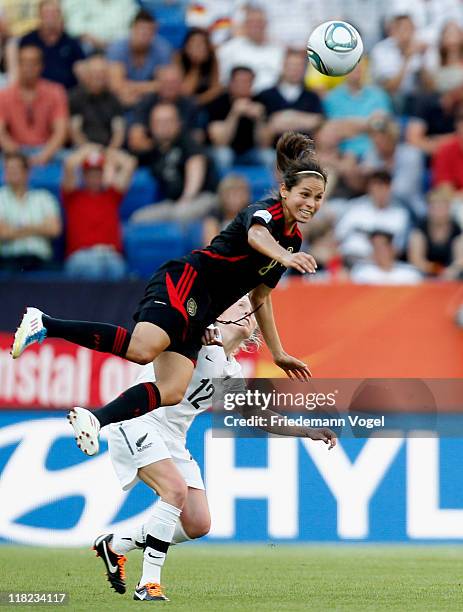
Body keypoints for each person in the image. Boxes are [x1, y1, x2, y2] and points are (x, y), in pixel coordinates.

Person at [12, 131, 324, 457]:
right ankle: (45, 323)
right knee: (142, 348)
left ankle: (95, 418)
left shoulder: (293, 241)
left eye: (318, 198)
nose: (311, 204)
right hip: (188, 280)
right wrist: (285, 257)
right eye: (305, 194)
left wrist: (278, 352)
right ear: (285, 191)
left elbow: (260, 297)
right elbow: (256, 234)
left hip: (203, 311)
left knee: (173, 389)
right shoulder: (266, 212)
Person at [92, 297, 336, 601]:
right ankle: (148, 584)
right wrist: (198, 326)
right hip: (138, 421)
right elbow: (169, 319)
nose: (248, 309)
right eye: (239, 303)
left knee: (197, 523)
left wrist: (306, 431)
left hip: (172, 439)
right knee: (175, 492)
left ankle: (117, 544)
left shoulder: (230, 371)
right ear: (218, 313)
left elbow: (254, 414)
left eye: (251, 307)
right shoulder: (194, 337)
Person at [130, 102, 217, 223]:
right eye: (158, 122)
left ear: (178, 123)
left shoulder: (187, 141)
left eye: (168, 121)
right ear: (151, 126)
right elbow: (131, 160)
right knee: (138, 218)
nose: (163, 126)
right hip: (172, 203)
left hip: (202, 198)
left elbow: (196, 162)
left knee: (181, 215)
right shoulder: (154, 151)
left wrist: (187, 198)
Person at [62, 145, 136, 279]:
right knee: (94, 268)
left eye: (97, 173)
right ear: (83, 175)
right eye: (90, 173)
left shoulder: (112, 195)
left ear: (103, 174)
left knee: (115, 268)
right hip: (81, 256)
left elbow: (129, 164)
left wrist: (106, 151)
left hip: (110, 256)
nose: (94, 177)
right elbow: (69, 164)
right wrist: (90, 148)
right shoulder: (72, 196)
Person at [0, 44, 68, 166]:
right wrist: (18, 156)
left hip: (47, 150)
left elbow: (60, 132)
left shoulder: (55, 92)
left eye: (33, 63)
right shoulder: (4, 95)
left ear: (41, 66)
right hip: (15, 152)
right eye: (24, 63)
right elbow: (1, 133)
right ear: (18, 66)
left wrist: (45, 155)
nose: (28, 68)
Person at [0, 152, 61, 271]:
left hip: (40, 260)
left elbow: (54, 230)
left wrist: (16, 229)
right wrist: (38, 228)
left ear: (27, 172)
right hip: (7, 260)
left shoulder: (44, 198)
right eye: (8, 169)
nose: (11, 173)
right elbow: (3, 233)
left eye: (15, 169)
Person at [320, 59, 392, 160]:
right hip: (341, 151)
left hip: (373, 149)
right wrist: (368, 123)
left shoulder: (379, 95)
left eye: (359, 68)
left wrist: (348, 125)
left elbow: (380, 125)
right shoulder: (332, 98)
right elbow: (334, 129)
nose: (356, 71)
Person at [335, 170, 410, 265]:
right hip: (352, 261)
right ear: (370, 188)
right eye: (377, 187)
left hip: (382, 265)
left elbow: (399, 248)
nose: (380, 191)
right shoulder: (355, 208)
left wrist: (378, 259)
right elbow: (337, 237)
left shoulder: (400, 214)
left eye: (384, 187)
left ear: (390, 188)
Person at [206, 66, 272, 173]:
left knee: (269, 156)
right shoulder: (218, 103)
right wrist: (234, 114)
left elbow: (265, 144)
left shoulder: (260, 102)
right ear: (230, 83)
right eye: (239, 81)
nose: (243, 85)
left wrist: (259, 120)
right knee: (224, 155)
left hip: (251, 151)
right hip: (226, 150)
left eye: (247, 82)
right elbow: (220, 142)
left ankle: (274, 189)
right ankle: (224, 187)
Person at [128, 64, 203, 154]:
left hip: (183, 154)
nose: (170, 86)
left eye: (174, 82)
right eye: (166, 82)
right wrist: (161, 147)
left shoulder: (190, 104)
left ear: (181, 84)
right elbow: (136, 139)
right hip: (151, 155)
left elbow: (197, 137)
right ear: (158, 83)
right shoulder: (146, 103)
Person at [12, 0, 85, 90]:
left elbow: (82, 72)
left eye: (54, 13)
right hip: (35, 93)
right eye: (46, 14)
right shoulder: (28, 41)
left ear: (60, 16)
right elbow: (18, 70)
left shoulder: (71, 42)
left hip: (66, 93)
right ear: (39, 15)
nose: (50, 18)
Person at [107, 9, 172, 108]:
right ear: (132, 29)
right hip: (122, 99)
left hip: (153, 101)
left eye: (148, 31)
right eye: (140, 30)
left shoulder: (162, 48)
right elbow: (116, 86)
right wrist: (150, 86)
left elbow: (164, 84)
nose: (144, 35)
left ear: (154, 33)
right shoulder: (117, 48)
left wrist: (130, 87)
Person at [258, 49, 324, 147]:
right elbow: (264, 129)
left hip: (304, 151)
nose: (295, 70)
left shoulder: (312, 96)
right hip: (273, 150)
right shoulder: (266, 95)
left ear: (304, 69)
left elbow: (317, 121)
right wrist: (303, 121)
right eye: (291, 66)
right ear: (283, 67)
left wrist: (286, 117)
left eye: (299, 66)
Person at [217, 5, 284, 95]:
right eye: (252, 22)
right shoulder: (228, 49)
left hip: (271, 101)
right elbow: (222, 81)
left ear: (266, 24)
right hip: (237, 99)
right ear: (245, 24)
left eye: (260, 22)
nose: (256, 26)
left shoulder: (279, 51)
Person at [370, 13, 427, 113]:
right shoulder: (381, 50)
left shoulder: (420, 47)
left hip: (415, 98)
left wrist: (423, 59)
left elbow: (429, 86)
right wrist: (406, 60)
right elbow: (390, 88)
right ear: (393, 31)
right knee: (397, 99)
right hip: (389, 97)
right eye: (404, 29)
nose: (408, 33)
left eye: (411, 28)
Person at [69, 53, 125, 149]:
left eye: (102, 72)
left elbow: (118, 132)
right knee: (72, 162)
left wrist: (110, 150)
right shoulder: (75, 97)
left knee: (128, 163)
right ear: (87, 74)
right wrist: (89, 149)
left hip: (108, 149)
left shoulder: (114, 100)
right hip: (83, 148)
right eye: (95, 72)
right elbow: (74, 131)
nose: (99, 76)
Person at [407, 186, 463, 279]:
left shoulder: (456, 229)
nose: (438, 212)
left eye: (442, 208)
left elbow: (460, 259)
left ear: (449, 208)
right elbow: (415, 259)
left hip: (451, 275)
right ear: (428, 209)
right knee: (412, 274)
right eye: (435, 208)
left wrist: (451, 271)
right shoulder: (420, 229)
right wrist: (435, 269)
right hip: (425, 273)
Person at [61, 0, 138, 52]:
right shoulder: (79, 2)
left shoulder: (126, 3)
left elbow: (134, 27)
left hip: (117, 48)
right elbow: (72, 26)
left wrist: (110, 44)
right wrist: (88, 37)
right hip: (87, 45)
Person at [351, 230, 422, 284]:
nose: (379, 250)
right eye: (375, 246)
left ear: (393, 249)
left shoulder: (410, 274)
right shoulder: (363, 274)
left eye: (383, 246)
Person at [175, 28, 222, 107]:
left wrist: (198, 101)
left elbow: (216, 89)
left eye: (201, 44)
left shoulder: (213, 58)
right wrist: (196, 66)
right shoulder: (178, 58)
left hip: (204, 103)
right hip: (181, 103)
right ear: (186, 46)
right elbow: (185, 91)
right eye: (193, 44)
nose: (197, 48)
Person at [202, 174, 250, 245]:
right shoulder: (214, 214)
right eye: (230, 194)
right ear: (222, 195)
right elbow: (210, 243)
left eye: (238, 194)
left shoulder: (251, 214)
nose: (234, 199)